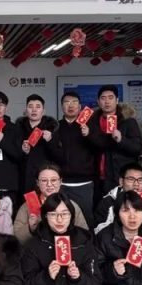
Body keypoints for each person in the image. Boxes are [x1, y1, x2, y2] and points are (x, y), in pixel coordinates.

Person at [13, 163, 89, 245]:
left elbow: (84, 235)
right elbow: (16, 238)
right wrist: (30, 228)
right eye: (44, 180)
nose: (49, 184)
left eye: (53, 180)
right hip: (38, 250)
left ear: (60, 182)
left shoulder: (71, 205)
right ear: (37, 183)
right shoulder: (28, 206)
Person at [54, 91, 98, 226]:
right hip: (61, 183)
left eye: (74, 102)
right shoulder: (56, 127)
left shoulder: (90, 125)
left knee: (86, 218)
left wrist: (89, 135)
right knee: (62, 218)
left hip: (84, 182)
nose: (71, 105)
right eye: (67, 102)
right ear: (62, 106)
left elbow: (100, 147)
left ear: (80, 107)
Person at [88, 85, 142, 192]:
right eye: (103, 98)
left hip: (120, 176)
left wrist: (121, 140)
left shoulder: (128, 121)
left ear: (117, 100)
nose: (107, 102)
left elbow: (137, 148)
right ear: (98, 102)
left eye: (110, 98)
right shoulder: (92, 121)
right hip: (96, 177)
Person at [15, 93, 62, 193]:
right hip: (23, 178)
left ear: (43, 111)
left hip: (45, 179)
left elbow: (59, 157)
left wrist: (50, 141)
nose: (34, 110)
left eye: (38, 107)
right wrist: (24, 152)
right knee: (26, 203)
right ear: (26, 110)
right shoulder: (18, 129)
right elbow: (13, 156)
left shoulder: (52, 129)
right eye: (30, 107)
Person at [94, 162, 142, 233]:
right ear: (121, 182)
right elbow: (98, 231)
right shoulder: (108, 202)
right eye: (131, 179)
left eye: (140, 180)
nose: (136, 184)